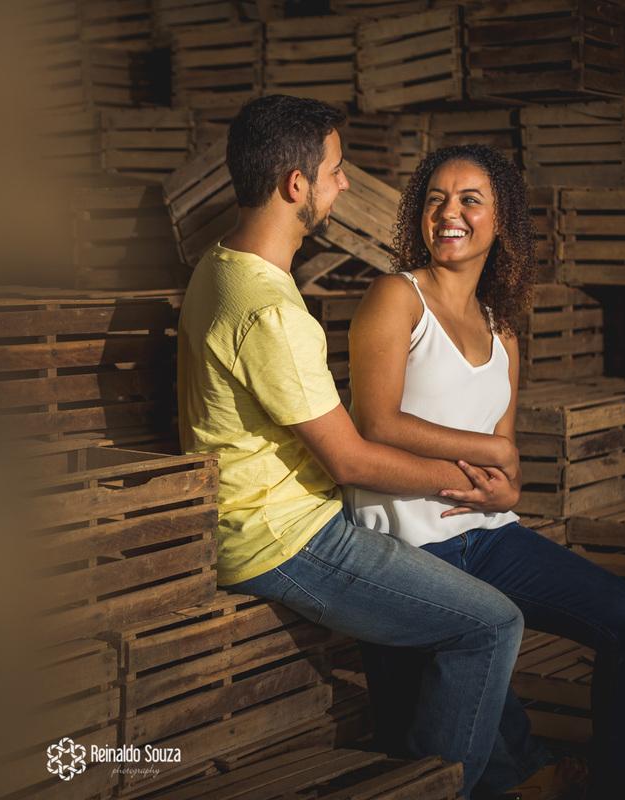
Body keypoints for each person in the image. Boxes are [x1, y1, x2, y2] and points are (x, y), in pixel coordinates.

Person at [177, 94, 526, 800]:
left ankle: (511, 773)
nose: (344, 184)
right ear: (295, 185)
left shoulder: (222, 266)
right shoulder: (271, 311)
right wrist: (474, 478)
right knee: (492, 625)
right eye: (336, 170)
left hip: (276, 518)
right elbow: (352, 459)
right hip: (286, 538)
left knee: (450, 587)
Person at [344, 143, 625, 800]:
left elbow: (507, 464)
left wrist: (505, 485)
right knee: (467, 705)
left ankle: (618, 785)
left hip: (488, 536)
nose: (449, 213)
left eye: (469, 200)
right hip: (410, 548)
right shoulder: (396, 297)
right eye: (435, 199)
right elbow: (374, 423)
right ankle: (529, 777)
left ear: (501, 220)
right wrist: (492, 454)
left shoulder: (502, 333)